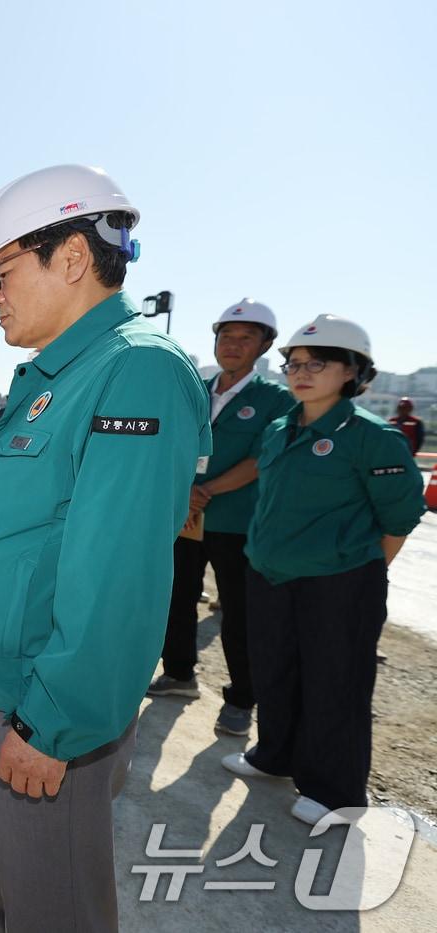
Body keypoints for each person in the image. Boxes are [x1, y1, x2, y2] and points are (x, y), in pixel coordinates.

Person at [0, 164, 210, 932]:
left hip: (41, 710)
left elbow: (116, 574)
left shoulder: (135, 369)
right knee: (13, 903)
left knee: (55, 912)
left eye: (4, 271)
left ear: (73, 257)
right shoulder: (59, 372)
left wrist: (55, 722)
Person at [221, 314, 425, 825]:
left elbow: (399, 516)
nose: (301, 372)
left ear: (353, 372)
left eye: (319, 363)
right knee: (275, 671)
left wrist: (357, 574)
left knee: (334, 681)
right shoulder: (276, 429)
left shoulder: (370, 437)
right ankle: (275, 756)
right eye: (294, 363)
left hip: (338, 582)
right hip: (270, 574)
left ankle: (335, 792)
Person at [148, 299, 293, 737]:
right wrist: (180, 491)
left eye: (245, 338)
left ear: (265, 345)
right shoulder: (198, 387)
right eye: (225, 337)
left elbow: (263, 458)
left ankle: (241, 698)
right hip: (186, 517)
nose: (232, 345)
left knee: (237, 612)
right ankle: (179, 674)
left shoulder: (275, 399)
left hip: (235, 521)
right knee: (176, 596)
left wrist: (206, 490)